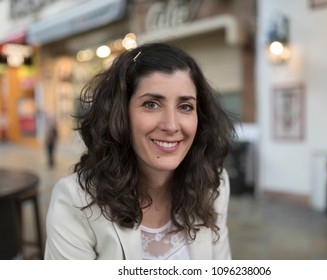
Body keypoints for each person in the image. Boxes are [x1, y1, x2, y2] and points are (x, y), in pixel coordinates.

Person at [44, 43, 236, 260]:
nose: (171, 126)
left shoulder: (213, 185)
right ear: (120, 115)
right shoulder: (75, 201)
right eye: (151, 104)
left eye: (185, 107)